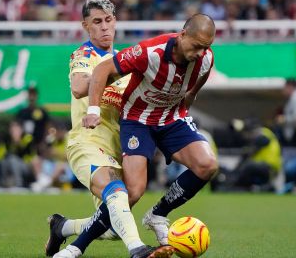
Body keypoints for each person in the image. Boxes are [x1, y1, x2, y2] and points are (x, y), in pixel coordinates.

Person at [46, 0, 173, 258]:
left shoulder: (122, 60)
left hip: (117, 149)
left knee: (112, 226)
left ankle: (62, 227)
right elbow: (80, 87)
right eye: (97, 22)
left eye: (108, 20)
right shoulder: (85, 55)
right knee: (115, 191)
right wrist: (110, 73)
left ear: (115, 22)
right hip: (87, 143)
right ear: (86, 26)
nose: (104, 27)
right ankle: (138, 250)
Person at [83, 13, 218, 246]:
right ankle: (76, 240)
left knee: (208, 165)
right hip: (138, 121)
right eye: (196, 46)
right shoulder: (149, 52)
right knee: (133, 191)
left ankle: (157, 215)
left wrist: (180, 111)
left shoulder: (206, 59)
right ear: (183, 34)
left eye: (205, 48)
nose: (200, 53)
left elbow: (192, 92)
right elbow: (102, 69)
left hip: (172, 120)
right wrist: (93, 109)